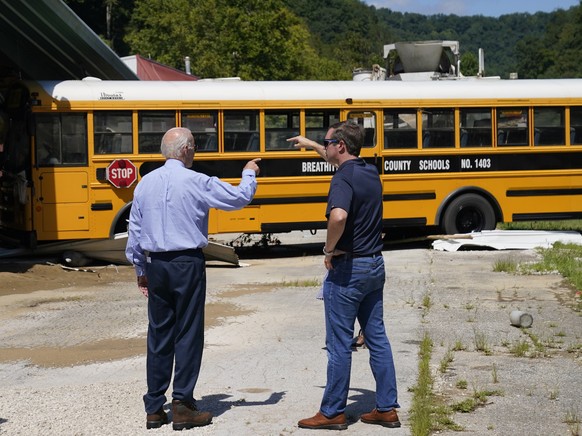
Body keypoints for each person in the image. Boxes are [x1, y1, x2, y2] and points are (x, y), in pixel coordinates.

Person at [125, 127, 260, 430]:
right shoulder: (197, 181)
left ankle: (154, 407)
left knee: (159, 333)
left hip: (156, 263)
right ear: (185, 150)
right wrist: (249, 172)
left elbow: (135, 231)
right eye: (195, 146)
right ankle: (183, 403)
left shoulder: (145, 184)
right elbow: (239, 198)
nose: (195, 152)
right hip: (186, 263)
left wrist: (140, 270)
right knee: (187, 331)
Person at [289, 122, 400, 430]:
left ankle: (333, 412)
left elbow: (338, 216)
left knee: (339, 344)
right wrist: (310, 144)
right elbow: (328, 153)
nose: (325, 147)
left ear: (340, 145)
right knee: (377, 338)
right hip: (374, 264)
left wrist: (328, 249)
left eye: (327, 143)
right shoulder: (369, 172)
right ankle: (387, 408)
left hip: (348, 270)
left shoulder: (342, 178)